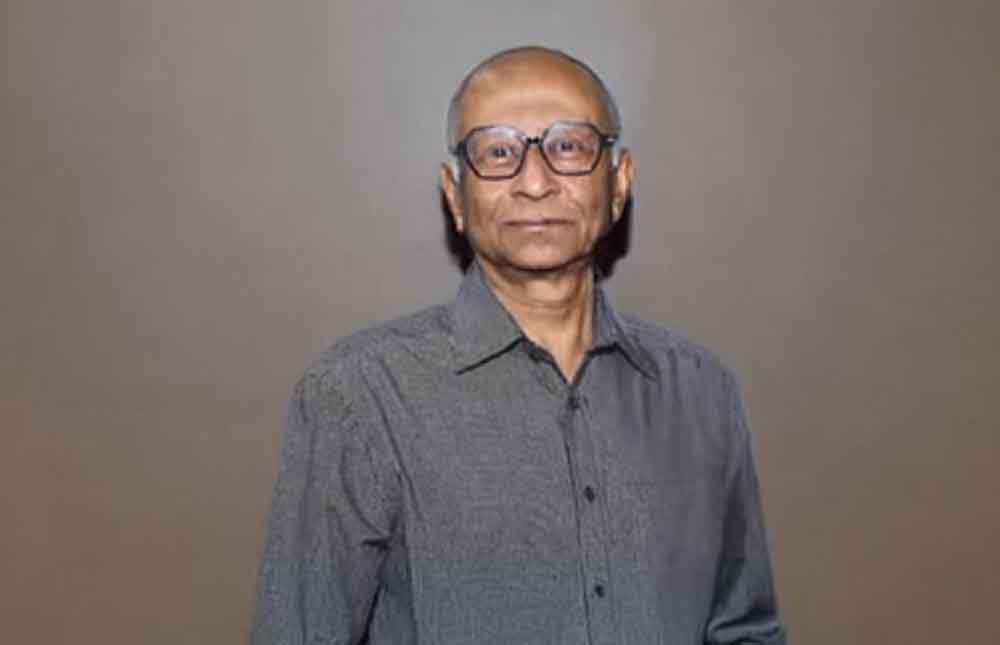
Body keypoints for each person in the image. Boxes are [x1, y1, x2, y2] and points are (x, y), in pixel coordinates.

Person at [252, 46, 785, 644]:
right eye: (499, 152)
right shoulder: (359, 397)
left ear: (619, 182)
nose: (535, 182)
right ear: (455, 194)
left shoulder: (701, 393)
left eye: (569, 146)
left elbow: (745, 630)